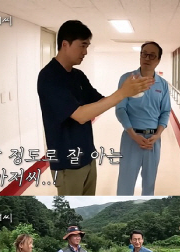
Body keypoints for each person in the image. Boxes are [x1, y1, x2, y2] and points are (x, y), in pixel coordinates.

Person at [37, 20, 154, 195]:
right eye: (82, 45)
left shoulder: (78, 75)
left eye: (88, 46)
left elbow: (101, 101)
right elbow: (80, 115)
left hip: (88, 156)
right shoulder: (49, 77)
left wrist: (131, 93)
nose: (85, 52)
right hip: (67, 162)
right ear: (65, 44)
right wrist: (122, 93)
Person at [116, 42, 171, 195]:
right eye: (143, 53)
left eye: (152, 55)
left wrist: (157, 135)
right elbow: (120, 109)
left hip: (153, 141)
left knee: (149, 185)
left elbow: (165, 112)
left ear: (158, 60)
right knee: (125, 184)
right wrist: (133, 135)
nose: (146, 58)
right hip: (131, 138)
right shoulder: (127, 79)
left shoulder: (163, 84)